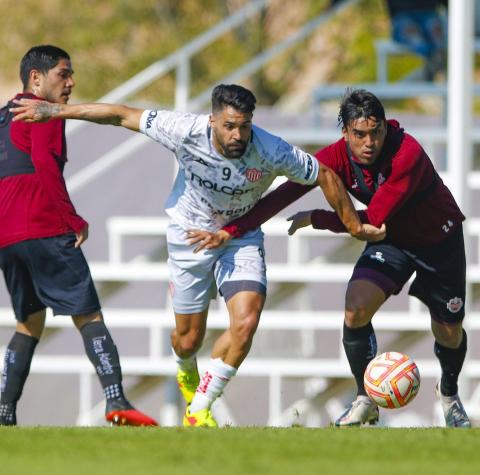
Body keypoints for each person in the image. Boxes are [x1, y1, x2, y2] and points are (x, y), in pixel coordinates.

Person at [11, 84, 385, 427]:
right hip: (189, 237)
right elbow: (120, 114)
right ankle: (186, 368)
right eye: (229, 126)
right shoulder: (183, 129)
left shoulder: (270, 149)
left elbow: (323, 173)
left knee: (247, 320)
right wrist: (56, 112)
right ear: (213, 120)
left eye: (245, 126)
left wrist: (352, 224)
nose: (238, 135)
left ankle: (201, 406)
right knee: (188, 340)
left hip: (239, 238)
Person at [195, 89, 470, 428]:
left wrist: (317, 218)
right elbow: (286, 191)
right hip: (391, 241)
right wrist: (232, 230)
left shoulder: (407, 152)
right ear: (346, 133)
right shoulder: (336, 156)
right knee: (355, 306)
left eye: (376, 132)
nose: (369, 142)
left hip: (438, 240)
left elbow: (371, 220)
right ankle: (365, 398)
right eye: (360, 134)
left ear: (385, 128)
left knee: (449, 332)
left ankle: (449, 395)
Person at [0, 45, 157, 427]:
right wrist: (71, 217)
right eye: (63, 74)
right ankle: (116, 400)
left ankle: (4, 411)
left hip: (7, 237)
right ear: (36, 79)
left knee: (29, 322)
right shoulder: (43, 110)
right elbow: (42, 163)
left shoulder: (3, 117)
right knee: (88, 314)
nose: (70, 83)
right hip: (43, 226)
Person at [385, 0, 448, 81]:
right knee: (414, 36)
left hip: (429, 13)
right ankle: (434, 64)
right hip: (402, 15)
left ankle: (433, 65)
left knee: (436, 32)